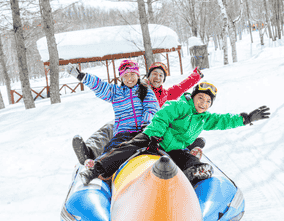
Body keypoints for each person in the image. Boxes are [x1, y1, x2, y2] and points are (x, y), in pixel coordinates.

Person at [79, 82, 271, 185]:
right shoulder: (180, 105)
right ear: (194, 97)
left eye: (207, 101)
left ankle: (194, 172)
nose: (203, 103)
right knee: (130, 147)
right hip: (155, 139)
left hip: (175, 149)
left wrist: (246, 118)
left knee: (186, 158)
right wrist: (153, 136)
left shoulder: (204, 118)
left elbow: (224, 120)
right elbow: (162, 116)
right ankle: (96, 169)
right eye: (200, 98)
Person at [71, 62, 204, 165]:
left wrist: (196, 76)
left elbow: (181, 88)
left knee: (170, 131)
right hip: (126, 122)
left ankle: (187, 148)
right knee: (107, 130)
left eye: (161, 75)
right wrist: (82, 76)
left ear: (164, 79)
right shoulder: (139, 85)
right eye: (154, 74)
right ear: (147, 76)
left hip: (152, 124)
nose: (157, 77)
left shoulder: (166, 94)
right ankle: (89, 152)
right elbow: (102, 87)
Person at [66, 60, 160, 165]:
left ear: (138, 75)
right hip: (123, 133)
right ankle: (95, 166)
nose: (129, 78)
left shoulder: (145, 90)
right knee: (113, 150)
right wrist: (81, 76)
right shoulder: (116, 92)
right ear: (121, 78)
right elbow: (100, 86)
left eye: (132, 74)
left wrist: (147, 126)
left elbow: (151, 108)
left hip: (143, 132)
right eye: (125, 76)